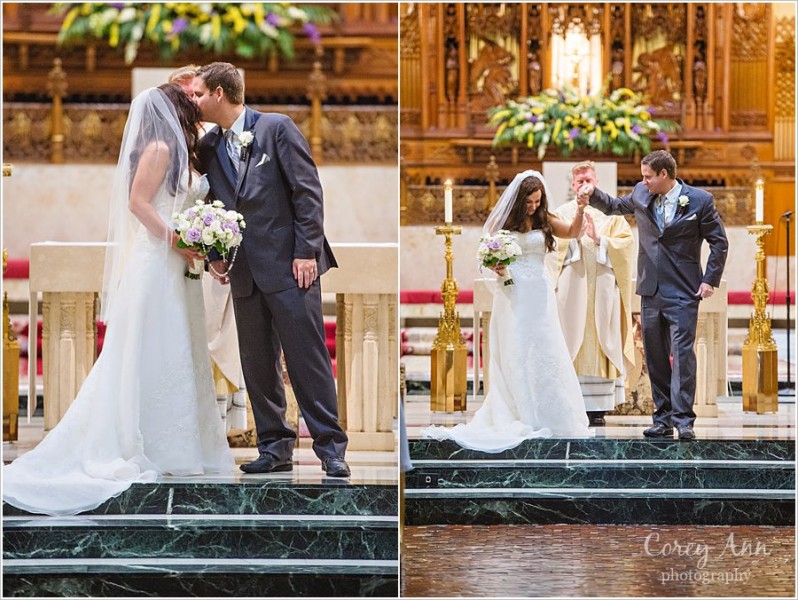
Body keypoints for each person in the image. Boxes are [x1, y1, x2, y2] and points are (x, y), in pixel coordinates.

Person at [2, 85, 234, 516]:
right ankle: (139, 442)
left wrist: (200, 238)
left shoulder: (183, 150)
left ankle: (181, 447)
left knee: (178, 353)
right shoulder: (162, 147)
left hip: (177, 268)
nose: (198, 107)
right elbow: (138, 204)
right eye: (191, 102)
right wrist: (178, 239)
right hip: (157, 266)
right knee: (151, 352)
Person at [191, 62, 350, 477]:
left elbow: (307, 191)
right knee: (258, 364)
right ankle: (274, 446)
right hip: (244, 272)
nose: (194, 101)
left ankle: (331, 448)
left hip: (290, 266)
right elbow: (210, 207)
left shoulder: (275, 128)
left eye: (198, 94)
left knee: (307, 359)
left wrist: (305, 253)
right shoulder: (209, 147)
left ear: (219, 94)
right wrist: (215, 254)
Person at [422, 170, 592, 452]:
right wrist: (495, 264)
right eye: (529, 202)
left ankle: (550, 412)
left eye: (538, 201)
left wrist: (580, 209)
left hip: (539, 293)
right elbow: (488, 252)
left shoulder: (544, 218)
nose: (534, 207)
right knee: (516, 350)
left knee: (545, 348)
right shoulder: (504, 223)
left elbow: (573, 233)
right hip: (512, 294)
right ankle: (519, 409)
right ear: (518, 200)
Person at [578, 150, 728, 440]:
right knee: (656, 357)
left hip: (684, 290)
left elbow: (719, 243)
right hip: (650, 290)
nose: (643, 181)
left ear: (663, 175)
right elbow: (613, 205)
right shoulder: (641, 193)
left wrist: (710, 280)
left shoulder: (699, 200)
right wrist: (592, 191)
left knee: (683, 356)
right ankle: (662, 419)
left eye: (648, 176)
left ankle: (684, 420)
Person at [549, 162, 635, 426]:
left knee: (602, 338)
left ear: (596, 183)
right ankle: (568, 400)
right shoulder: (560, 214)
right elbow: (550, 250)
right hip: (570, 291)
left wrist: (600, 241)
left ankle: (598, 408)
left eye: (588, 180)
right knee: (568, 336)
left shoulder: (612, 215)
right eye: (579, 181)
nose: (584, 185)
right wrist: (573, 240)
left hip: (603, 290)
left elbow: (626, 247)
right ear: (573, 186)